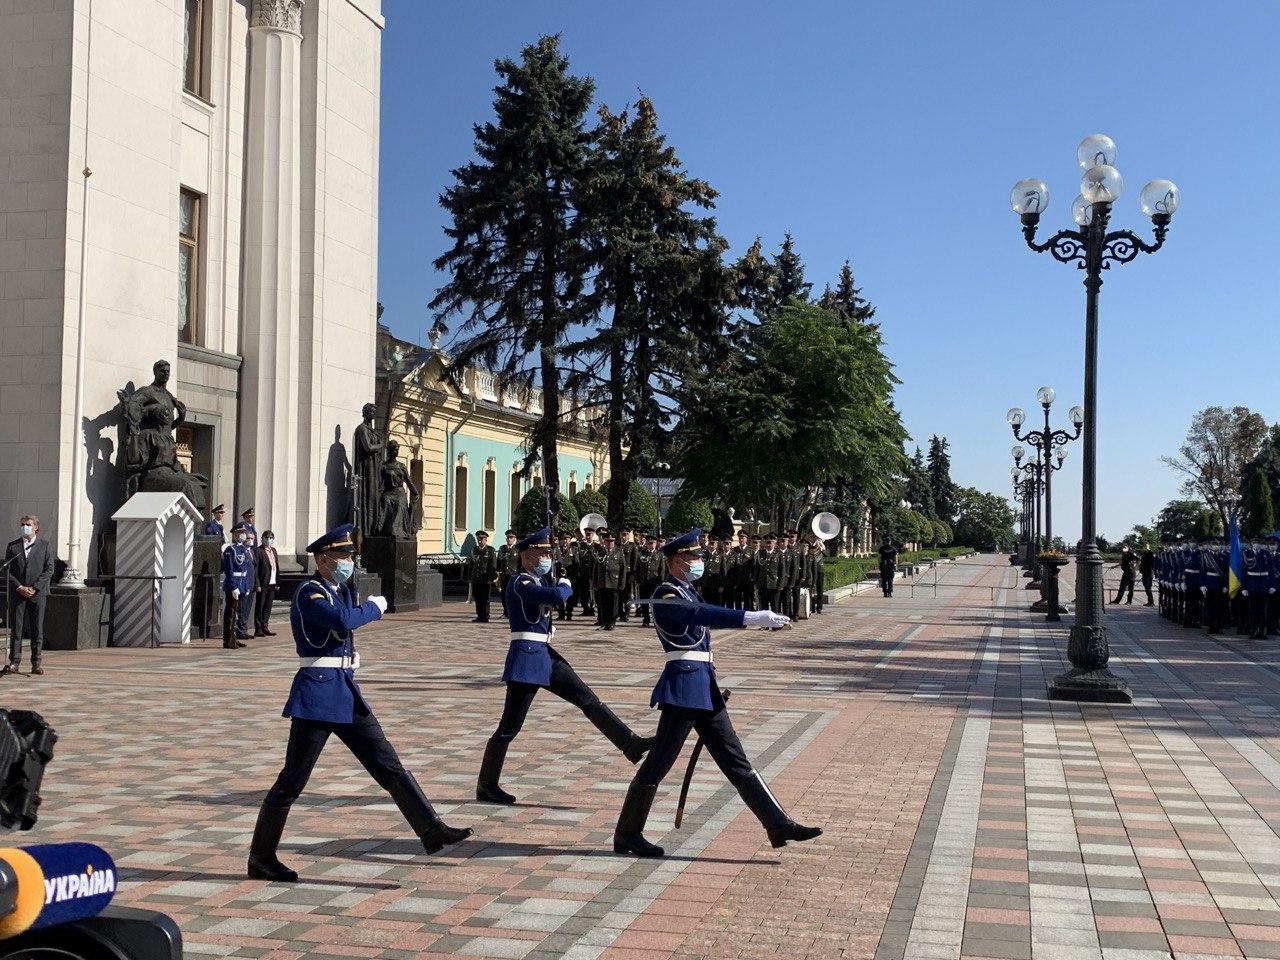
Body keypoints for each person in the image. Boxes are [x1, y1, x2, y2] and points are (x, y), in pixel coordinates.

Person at [248, 524, 470, 883]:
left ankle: (432, 829)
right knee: (292, 780)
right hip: (318, 696)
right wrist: (375, 608)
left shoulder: (336, 590)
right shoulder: (310, 592)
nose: (349, 562)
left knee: (388, 764)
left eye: (351, 556)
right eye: (343, 556)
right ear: (323, 559)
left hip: (344, 692)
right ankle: (261, 857)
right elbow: (342, 621)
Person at [612, 528, 822, 858]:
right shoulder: (666, 595)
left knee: (735, 759)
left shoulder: (687, 591)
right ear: (674, 561)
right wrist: (751, 617)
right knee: (659, 762)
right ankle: (627, 833)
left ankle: (778, 823)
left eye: (699, 556)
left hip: (703, 687)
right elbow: (701, 615)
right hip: (683, 688)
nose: (699, 562)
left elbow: (702, 613)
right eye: (692, 557)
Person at [475, 527, 655, 805]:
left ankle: (629, 743)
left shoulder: (536, 579)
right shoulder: (518, 582)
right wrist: (565, 585)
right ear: (526, 556)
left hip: (544, 654)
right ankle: (487, 785)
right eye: (542, 552)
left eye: (549, 552)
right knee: (509, 727)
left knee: (588, 699)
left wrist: (554, 579)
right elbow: (556, 598)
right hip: (526, 659)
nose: (547, 556)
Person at [4, 515, 55, 676]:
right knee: (17, 629)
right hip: (18, 594)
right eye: (22, 524)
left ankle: (36, 662)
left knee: (36, 629)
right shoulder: (13, 547)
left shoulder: (45, 546)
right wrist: (19, 587)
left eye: (28, 525)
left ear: (36, 528)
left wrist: (35, 587)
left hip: (37, 594)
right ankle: (14, 661)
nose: (24, 527)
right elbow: (7, 570)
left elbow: (49, 569)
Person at [221, 522, 253, 650]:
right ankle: (228, 640)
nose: (243, 535)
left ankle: (234, 636)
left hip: (241, 584)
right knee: (231, 613)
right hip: (233, 585)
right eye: (240, 533)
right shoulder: (230, 550)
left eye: (244, 533)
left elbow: (244, 570)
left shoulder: (242, 549)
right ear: (235, 534)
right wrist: (234, 587)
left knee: (238, 614)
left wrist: (245, 586)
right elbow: (229, 571)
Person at [594, 531, 627, 631]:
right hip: (602, 582)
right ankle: (604, 621)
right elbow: (595, 568)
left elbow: (623, 568)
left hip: (614, 582)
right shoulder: (600, 552)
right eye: (608, 541)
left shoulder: (618, 552)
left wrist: (622, 583)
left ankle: (612, 622)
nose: (610, 543)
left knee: (613, 604)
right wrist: (595, 582)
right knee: (603, 604)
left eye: (611, 541)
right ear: (604, 542)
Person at [236, 508, 259, 640]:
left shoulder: (251, 552)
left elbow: (254, 569)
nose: (251, 540)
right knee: (241, 608)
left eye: (252, 538)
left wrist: (256, 583)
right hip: (243, 583)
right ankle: (239, 630)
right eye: (249, 538)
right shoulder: (240, 550)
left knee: (247, 608)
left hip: (250, 583)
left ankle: (243, 629)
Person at [468, 530, 499, 623]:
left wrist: (491, 578)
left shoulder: (490, 550)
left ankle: (485, 616)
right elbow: (471, 564)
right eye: (478, 539)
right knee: (477, 598)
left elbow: (493, 565)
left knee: (485, 598)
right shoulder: (474, 550)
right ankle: (479, 615)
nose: (480, 541)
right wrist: (470, 577)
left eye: (482, 539)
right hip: (476, 578)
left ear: (486, 540)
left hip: (485, 578)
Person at [254, 529, 281, 636]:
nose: (269, 540)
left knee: (268, 606)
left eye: (271, 538)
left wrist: (278, 581)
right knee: (260, 605)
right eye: (266, 538)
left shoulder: (273, 550)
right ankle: (258, 628)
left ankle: (265, 626)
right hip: (263, 582)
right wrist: (257, 584)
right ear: (262, 539)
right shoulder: (258, 551)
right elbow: (256, 569)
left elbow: (276, 567)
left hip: (272, 582)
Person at [496, 530, 519, 618]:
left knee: (513, 594)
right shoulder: (502, 548)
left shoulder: (517, 549)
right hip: (504, 575)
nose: (509, 539)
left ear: (514, 539)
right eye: (508, 537)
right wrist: (497, 573)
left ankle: (513, 612)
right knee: (504, 594)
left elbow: (520, 563)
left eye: (511, 537)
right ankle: (506, 612)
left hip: (513, 575)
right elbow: (499, 562)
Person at [810, 541, 827, 614]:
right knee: (811, 589)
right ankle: (812, 607)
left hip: (820, 570)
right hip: (811, 571)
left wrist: (821, 548)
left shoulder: (821, 547)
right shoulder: (809, 547)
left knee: (820, 589)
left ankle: (819, 607)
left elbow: (827, 554)